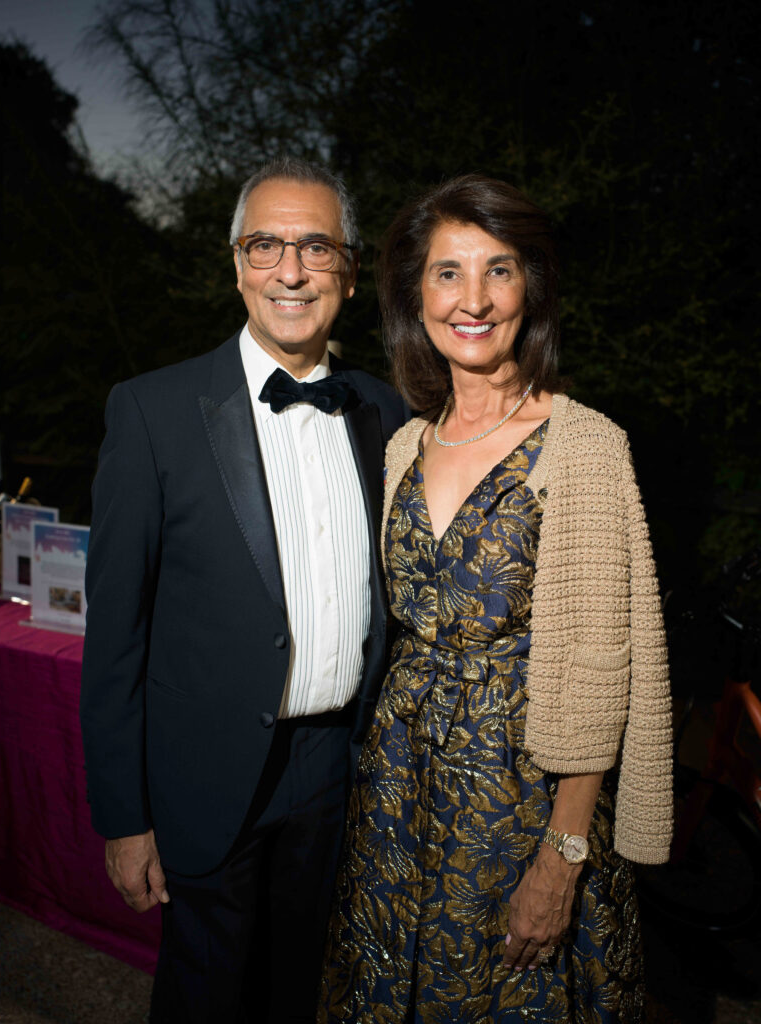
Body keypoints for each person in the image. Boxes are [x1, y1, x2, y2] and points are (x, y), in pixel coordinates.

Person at [319, 175, 672, 1023]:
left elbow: (600, 669)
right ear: (415, 293)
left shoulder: (583, 445)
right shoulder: (406, 441)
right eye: (447, 272)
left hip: (522, 801)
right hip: (397, 791)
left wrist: (562, 855)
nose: (472, 298)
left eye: (498, 269)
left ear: (532, 289)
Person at [80, 156, 408, 1024]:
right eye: (266, 245)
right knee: (205, 993)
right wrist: (124, 818)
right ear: (235, 264)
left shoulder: (386, 411)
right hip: (206, 772)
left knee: (301, 990)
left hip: (339, 768)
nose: (290, 271)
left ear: (346, 265)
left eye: (314, 247)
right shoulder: (150, 411)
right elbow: (114, 634)